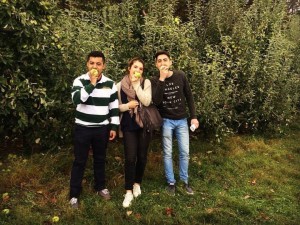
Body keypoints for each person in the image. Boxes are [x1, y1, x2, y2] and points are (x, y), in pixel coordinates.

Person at [69, 51, 119, 208]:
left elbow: (114, 107)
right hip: (82, 127)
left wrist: (114, 126)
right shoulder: (80, 81)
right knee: (79, 161)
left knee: (100, 159)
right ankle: (74, 195)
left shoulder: (110, 83)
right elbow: (77, 100)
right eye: (92, 63)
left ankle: (101, 187)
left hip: (102, 129)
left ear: (103, 65)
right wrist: (91, 83)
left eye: (98, 63)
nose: (95, 66)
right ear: (87, 64)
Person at [151, 50, 199, 196]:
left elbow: (189, 97)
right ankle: (171, 182)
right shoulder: (154, 80)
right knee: (167, 153)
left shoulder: (180, 75)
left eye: (165, 60)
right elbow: (157, 101)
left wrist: (194, 117)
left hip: (182, 120)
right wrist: (161, 79)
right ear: (156, 64)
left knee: (184, 152)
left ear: (171, 62)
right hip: (166, 121)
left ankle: (185, 181)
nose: (162, 63)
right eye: (159, 61)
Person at [117, 57, 152, 208]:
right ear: (129, 68)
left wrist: (137, 85)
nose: (138, 70)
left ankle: (137, 183)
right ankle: (128, 190)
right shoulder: (119, 85)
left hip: (144, 125)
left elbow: (147, 102)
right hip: (128, 125)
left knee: (142, 157)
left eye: (141, 69)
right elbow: (116, 107)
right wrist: (127, 106)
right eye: (135, 67)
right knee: (130, 158)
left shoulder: (146, 83)